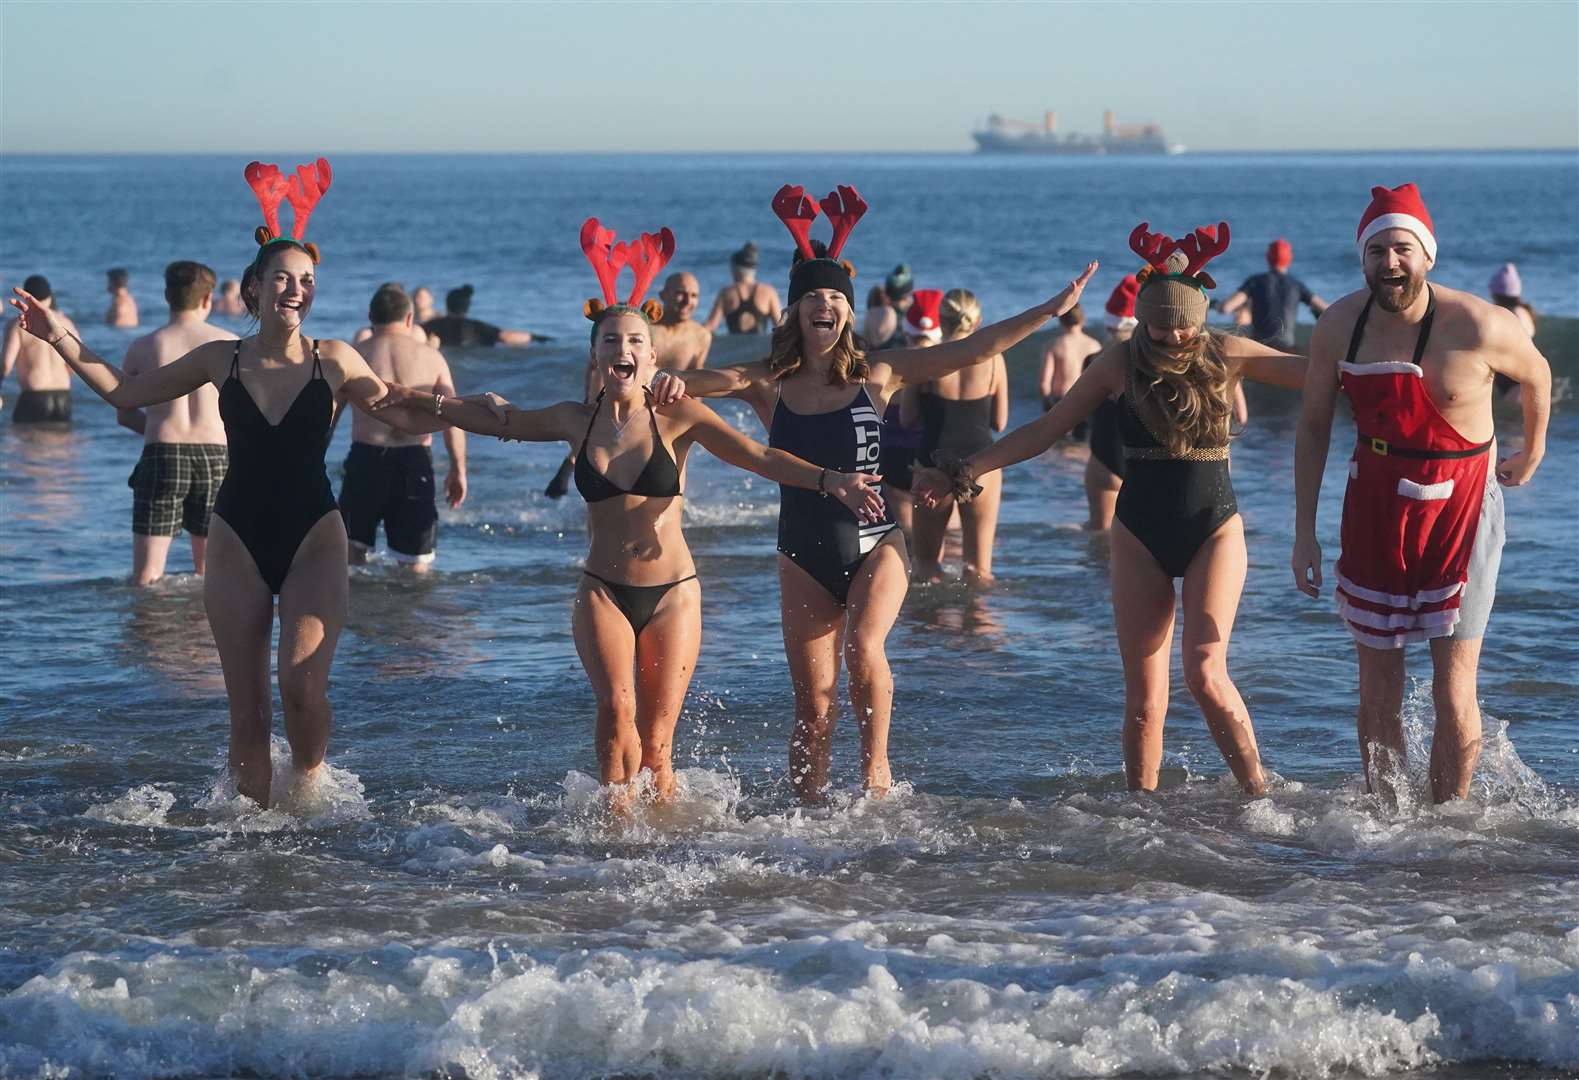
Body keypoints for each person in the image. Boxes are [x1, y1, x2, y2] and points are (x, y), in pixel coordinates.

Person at [375, 218, 882, 804]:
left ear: (653, 354)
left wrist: (830, 480)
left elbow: (760, 456)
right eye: (611, 341)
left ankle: (658, 858)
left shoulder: (680, 414)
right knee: (617, 716)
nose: (624, 350)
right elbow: (500, 419)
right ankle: (610, 851)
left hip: (674, 592)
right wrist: (417, 398)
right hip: (602, 589)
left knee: (658, 745)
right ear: (595, 355)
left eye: (636, 341)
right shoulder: (574, 419)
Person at [8, 158, 445, 809]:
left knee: (301, 691)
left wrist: (482, 414)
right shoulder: (222, 358)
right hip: (237, 532)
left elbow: (398, 407)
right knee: (247, 712)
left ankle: (309, 789)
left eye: (307, 280)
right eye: (283, 279)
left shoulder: (337, 358)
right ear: (252, 290)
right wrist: (62, 338)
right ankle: (252, 836)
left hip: (313, 535)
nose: (296, 289)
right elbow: (125, 392)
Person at [654, 183, 1097, 803]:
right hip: (801, 552)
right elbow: (688, 383)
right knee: (812, 705)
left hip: (876, 542)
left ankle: (876, 779)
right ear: (796, 312)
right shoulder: (766, 382)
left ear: (850, 312)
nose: (826, 305)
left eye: (837, 297)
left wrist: (1050, 309)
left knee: (864, 649)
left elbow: (971, 348)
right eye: (814, 297)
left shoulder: (878, 373)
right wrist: (664, 379)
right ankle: (807, 813)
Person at [920, 221, 1307, 796]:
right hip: (1139, 533)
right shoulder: (1117, 363)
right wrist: (969, 470)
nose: (1174, 335)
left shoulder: (1225, 352)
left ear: (1201, 317)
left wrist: (1390, 363)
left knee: (1204, 671)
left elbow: (1317, 376)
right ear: (1144, 315)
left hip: (1214, 529)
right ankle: (1140, 813)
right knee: (1146, 701)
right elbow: (1048, 428)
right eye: (1162, 322)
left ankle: (1261, 795)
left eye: (1184, 323)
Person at [1292, 184, 1551, 805]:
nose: (1390, 263)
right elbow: (1314, 425)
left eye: (1402, 248)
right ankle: (1386, 820)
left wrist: (1532, 451)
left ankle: (1447, 821)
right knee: (1376, 680)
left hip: (1462, 506)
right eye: (1377, 249)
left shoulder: (1479, 324)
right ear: (1362, 258)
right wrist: (1305, 529)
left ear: (1427, 255)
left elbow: (1537, 373)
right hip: (1375, 501)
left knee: (1453, 681)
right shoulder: (1339, 325)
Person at [115, 261, 237, 585]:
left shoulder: (143, 346)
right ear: (208, 299)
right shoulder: (230, 344)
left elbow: (124, 412)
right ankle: (205, 635)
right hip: (216, 456)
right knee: (212, 575)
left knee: (146, 576)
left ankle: (149, 634)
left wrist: (156, 433)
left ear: (167, 295)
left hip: (163, 453)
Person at [342, 283, 467, 570]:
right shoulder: (433, 358)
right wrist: (458, 470)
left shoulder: (354, 355)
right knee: (416, 565)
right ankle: (414, 614)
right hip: (415, 461)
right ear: (410, 319)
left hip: (366, 458)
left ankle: (356, 613)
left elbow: (328, 413)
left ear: (370, 317)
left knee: (352, 555)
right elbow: (454, 417)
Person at [909, 288, 1009, 584]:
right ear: (976, 321)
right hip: (982, 464)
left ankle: (928, 629)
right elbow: (1000, 422)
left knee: (925, 567)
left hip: (931, 463)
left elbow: (908, 417)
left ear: (941, 319)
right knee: (978, 569)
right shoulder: (994, 360)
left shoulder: (927, 358)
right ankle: (978, 628)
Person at [1083, 274, 1139, 530]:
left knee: (1100, 539)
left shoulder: (1094, 360)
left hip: (1104, 459)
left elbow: (1083, 413)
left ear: (1108, 324)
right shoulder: (1149, 363)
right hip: (1143, 463)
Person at [1217, 238, 1327, 350]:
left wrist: (1217, 305)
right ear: (1289, 259)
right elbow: (1327, 309)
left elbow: (1226, 308)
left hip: (1259, 348)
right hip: (1287, 349)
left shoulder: (1255, 281)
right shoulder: (1296, 285)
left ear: (1268, 258)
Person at [3, 274, 79, 422]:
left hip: (34, 395)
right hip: (63, 395)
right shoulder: (65, 321)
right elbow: (78, 359)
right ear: (50, 296)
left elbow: (6, 363)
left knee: (27, 442)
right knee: (62, 444)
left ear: (26, 296)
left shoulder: (19, 323)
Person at [1040, 302, 1104, 439]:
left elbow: (1044, 383)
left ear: (1061, 320)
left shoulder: (1053, 345)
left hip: (1061, 402)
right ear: (1083, 319)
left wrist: (1047, 406)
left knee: (1059, 446)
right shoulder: (1094, 345)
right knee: (1083, 444)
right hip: (1086, 402)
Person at [703, 243, 782, 334]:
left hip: (734, 347)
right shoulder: (768, 292)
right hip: (760, 347)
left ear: (735, 269)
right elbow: (781, 327)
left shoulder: (726, 293)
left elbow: (710, 326)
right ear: (753, 270)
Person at [423, 285, 533, 348]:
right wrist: (533, 337)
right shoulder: (477, 326)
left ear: (447, 305)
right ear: (468, 307)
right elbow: (506, 337)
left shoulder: (432, 325)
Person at [652, 272, 711, 369]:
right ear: (663, 295)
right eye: (681, 293)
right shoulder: (645, 329)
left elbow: (697, 377)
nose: (687, 301)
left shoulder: (702, 336)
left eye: (694, 295)